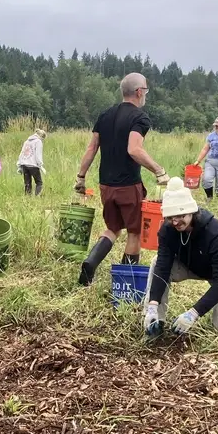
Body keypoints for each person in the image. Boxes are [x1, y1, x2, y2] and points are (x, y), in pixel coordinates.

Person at [74, 73, 170, 286]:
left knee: (113, 228)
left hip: (105, 185)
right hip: (128, 186)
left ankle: (91, 262)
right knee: (134, 232)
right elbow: (134, 149)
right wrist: (159, 170)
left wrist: (80, 177)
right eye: (145, 89)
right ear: (139, 92)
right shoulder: (140, 118)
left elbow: (91, 149)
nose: (145, 93)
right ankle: (126, 282)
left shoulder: (105, 115)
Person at [143, 178, 218, 338]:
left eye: (180, 215)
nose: (175, 222)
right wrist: (153, 304)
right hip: (191, 265)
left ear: (191, 211)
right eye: (170, 217)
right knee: (156, 262)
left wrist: (193, 314)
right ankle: (155, 321)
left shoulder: (217, 234)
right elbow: (162, 267)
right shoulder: (167, 230)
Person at [17, 129, 47, 195]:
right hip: (33, 166)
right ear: (42, 137)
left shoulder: (26, 141)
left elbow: (22, 153)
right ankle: (37, 197)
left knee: (27, 183)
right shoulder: (38, 141)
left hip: (24, 165)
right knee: (39, 183)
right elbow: (38, 155)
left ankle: (27, 198)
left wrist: (19, 165)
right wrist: (40, 165)